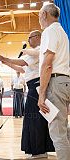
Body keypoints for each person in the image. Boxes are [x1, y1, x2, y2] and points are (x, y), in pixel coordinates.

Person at [0, 30, 54, 158]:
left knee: (35, 119)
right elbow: (22, 69)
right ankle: (41, 148)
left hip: (36, 88)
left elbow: (22, 62)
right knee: (36, 119)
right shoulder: (33, 54)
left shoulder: (39, 50)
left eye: (30, 37)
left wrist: (5, 58)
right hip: (33, 87)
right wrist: (6, 62)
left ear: (38, 37)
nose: (28, 40)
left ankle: (38, 150)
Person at [38, 3, 70, 160]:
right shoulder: (62, 32)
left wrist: (41, 94)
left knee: (58, 133)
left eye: (39, 16)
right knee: (64, 131)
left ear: (44, 15)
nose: (39, 20)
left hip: (55, 83)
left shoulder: (49, 31)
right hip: (65, 81)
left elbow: (48, 64)